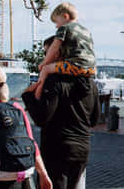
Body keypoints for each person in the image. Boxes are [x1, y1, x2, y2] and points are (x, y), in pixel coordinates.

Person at [22, 36, 99, 189]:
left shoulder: (54, 81)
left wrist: (28, 96)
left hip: (57, 148)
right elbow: (94, 119)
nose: (44, 58)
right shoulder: (90, 83)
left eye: (46, 53)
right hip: (81, 149)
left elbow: (42, 118)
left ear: (56, 54)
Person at [34, 3, 96, 99]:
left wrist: (44, 62)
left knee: (45, 69)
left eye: (56, 22)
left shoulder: (65, 28)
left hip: (76, 65)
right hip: (91, 69)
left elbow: (54, 48)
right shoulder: (86, 31)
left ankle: (37, 95)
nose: (56, 26)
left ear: (65, 16)